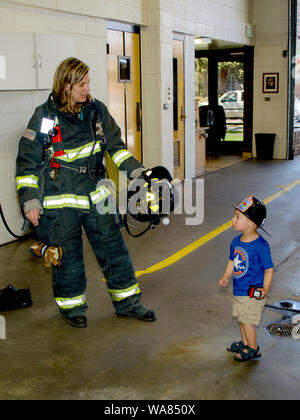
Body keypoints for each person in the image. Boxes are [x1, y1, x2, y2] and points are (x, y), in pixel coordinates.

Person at [16, 57, 157, 328]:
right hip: (60, 199)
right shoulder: (45, 117)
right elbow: (28, 162)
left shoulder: (96, 111)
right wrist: (30, 200)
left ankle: (128, 302)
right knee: (66, 257)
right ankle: (72, 308)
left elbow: (116, 147)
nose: (86, 88)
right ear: (65, 84)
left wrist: (140, 172)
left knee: (114, 250)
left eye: (87, 82)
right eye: (80, 83)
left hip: (97, 194)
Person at [218, 195, 274, 361]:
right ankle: (245, 343)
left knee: (247, 321)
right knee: (242, 319)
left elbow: (269, 270)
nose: (233, 220)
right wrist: (226, 275)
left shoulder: (261, 246)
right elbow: (232, 260)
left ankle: (253, 348)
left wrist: (265, 289)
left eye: (237, 217)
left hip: (252, 292)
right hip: (239, 289)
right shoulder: (236, 242)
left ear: (251, 222)